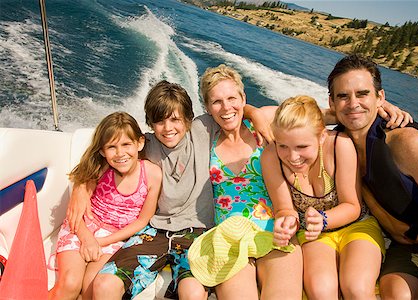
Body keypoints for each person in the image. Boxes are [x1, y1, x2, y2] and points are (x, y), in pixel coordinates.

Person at [67, 81, 272, 300]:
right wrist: (81, 187)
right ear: (151, 124)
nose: (168, 128)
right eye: (159, 121)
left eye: (175, 119)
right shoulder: (145, 145)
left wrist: (255, 114)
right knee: (104, 284)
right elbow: (105, 159)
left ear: (188, 118)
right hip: (153, 231)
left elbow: (231, 110)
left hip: (197, 234)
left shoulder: (203, 129)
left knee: (192, 292)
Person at [327, 54, 418, 299]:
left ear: (380, 97)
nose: (353, 103)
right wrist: (333, 115)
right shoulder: (339, 142)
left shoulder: (406, 142)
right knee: (396, 294)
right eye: (343, 96)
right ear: (331, 102)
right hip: (408, 249)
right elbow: (282, 118)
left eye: (363, 94)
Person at [188, 64, 303, 300]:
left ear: (243, 98)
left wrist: (379, 106)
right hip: (227, 238)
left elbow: (316, 114)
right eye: (216, 101)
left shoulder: (265, 122)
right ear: (208, 108)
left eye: (232, 98)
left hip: (274, 230)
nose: (226, 107)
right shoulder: (204, 135)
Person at [261, 95, 385, 299]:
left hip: (357, 226)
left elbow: (352, 206)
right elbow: (284, 208)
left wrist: (324, 219)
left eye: (302, 147)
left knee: (357, 287)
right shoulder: (270, 157)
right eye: (283, 146)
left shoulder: (339, 146)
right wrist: (286, 223)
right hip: (313, 235)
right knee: (321, 290)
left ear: (321, 137)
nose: (292, 157)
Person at [49, 112, 162, 300]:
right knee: (70, 283)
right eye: (111, 147)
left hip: (115, 239)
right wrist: (87, 239)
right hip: (81, 230)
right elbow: (76, 211)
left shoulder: (152, 174)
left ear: (139, 143)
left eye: (126, 144)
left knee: (91, 288)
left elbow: (142, 220)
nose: (120, 153)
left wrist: (99, 243)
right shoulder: (101, 168)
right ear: (102, 151)